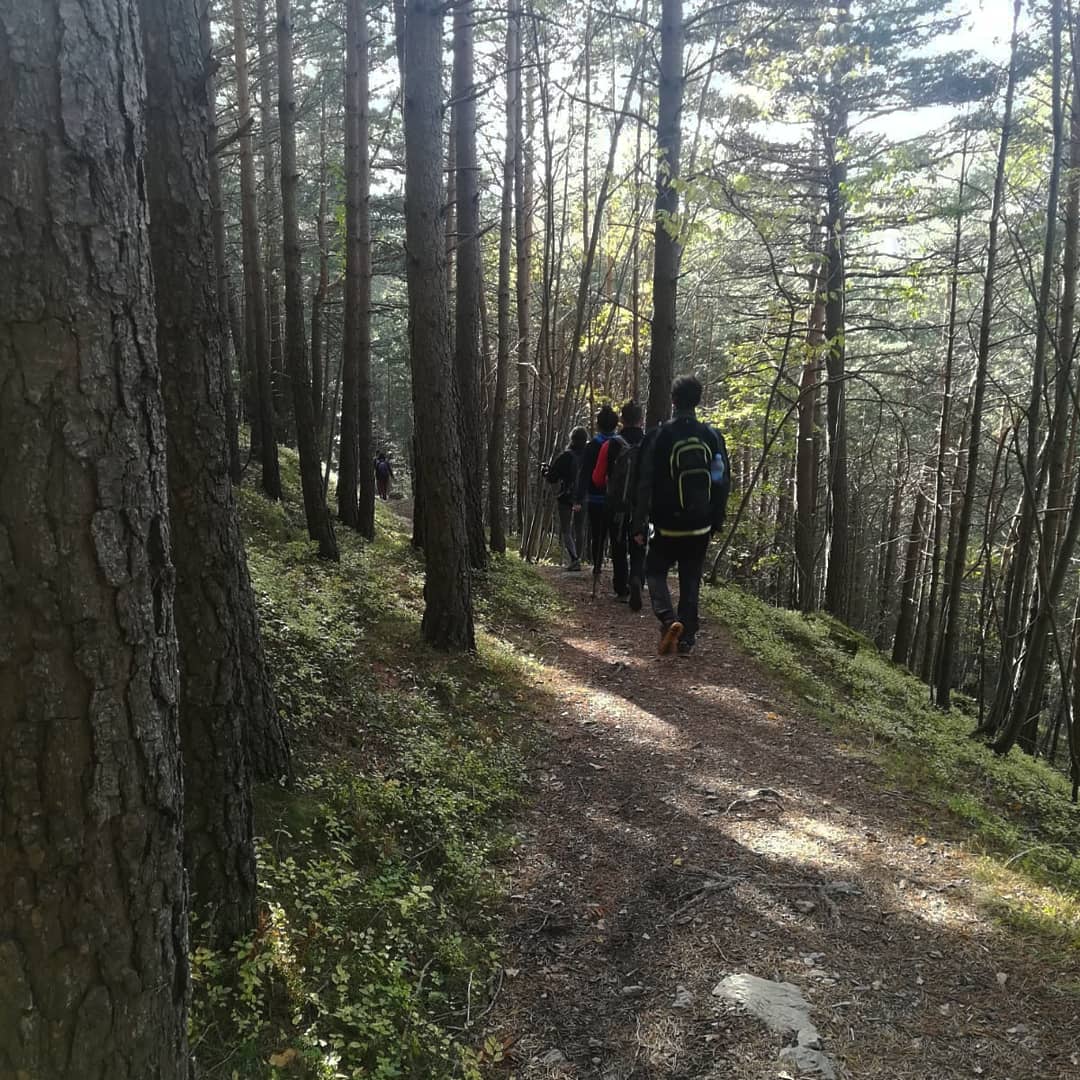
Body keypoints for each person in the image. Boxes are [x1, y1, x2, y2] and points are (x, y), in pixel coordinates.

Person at [632, 375, 730, 655]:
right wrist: (716, 519)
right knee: (690, 577)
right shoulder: (712, 436)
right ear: (697, 401)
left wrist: (638, 522)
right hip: (700, 523)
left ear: (673, 400)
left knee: (655, 571)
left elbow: (644, 483)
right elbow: (723, 481)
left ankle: (667, 618)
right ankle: (686, 637)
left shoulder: (659, 435)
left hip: (665, 523)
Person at [590, 400, 646, 608]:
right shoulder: (649, 442)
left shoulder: (611, 444)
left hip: (615, 504)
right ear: (641, 420)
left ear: (622, 420)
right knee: (640, 544)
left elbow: (597, 478)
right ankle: (638, 579)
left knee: (618, 543)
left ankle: (622, 588)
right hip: (642, 505)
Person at [574, 404, 620, 596]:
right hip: (618, 500)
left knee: (597, 536)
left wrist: (578, 498)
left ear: (598, 425)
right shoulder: (621, 444)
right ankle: (620, 579)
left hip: (596, 498)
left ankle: (597, 569)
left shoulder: (592, 445)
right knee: (616, 537)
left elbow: (584, 474)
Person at [542, 427, 588, 570]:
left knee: (566, 529)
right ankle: (578, 558)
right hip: (583, 497)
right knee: (580, 528)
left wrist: (544, 471)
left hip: (566, 497)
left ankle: (574, 559)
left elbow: (552, 478)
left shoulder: (566, 456)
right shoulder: (589, 455)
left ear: (572, 439)